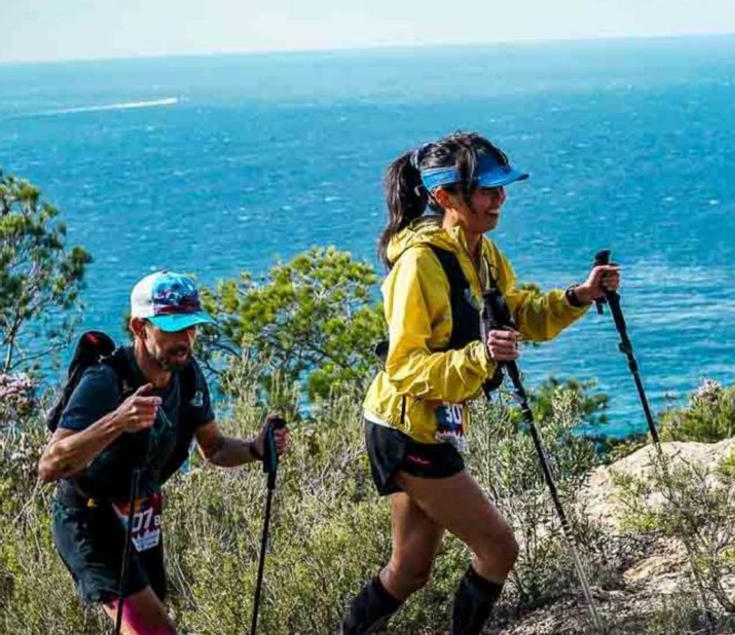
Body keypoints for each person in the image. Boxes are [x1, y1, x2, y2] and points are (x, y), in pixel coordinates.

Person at [340, 132, 619, 634]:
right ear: (444, 197)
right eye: (487, 190)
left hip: (430, 422)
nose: (500, 198)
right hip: (408, 428)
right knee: (498, 548)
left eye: (500, 188)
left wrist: (579, 296)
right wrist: (479, 355)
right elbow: (404, 366)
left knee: (410, 570)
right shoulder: (419, 265)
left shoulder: (484, 252)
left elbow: (520, 314)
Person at [38, 270, 291, 635]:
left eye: (192, 327)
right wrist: (117, 422)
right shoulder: (105, 381)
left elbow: (215, 449)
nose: (186, 338)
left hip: (142, 520)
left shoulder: (187, 376)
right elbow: (49, 465)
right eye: (173, 327)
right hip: (89, 521)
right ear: (140, 328)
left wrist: (254, 448)